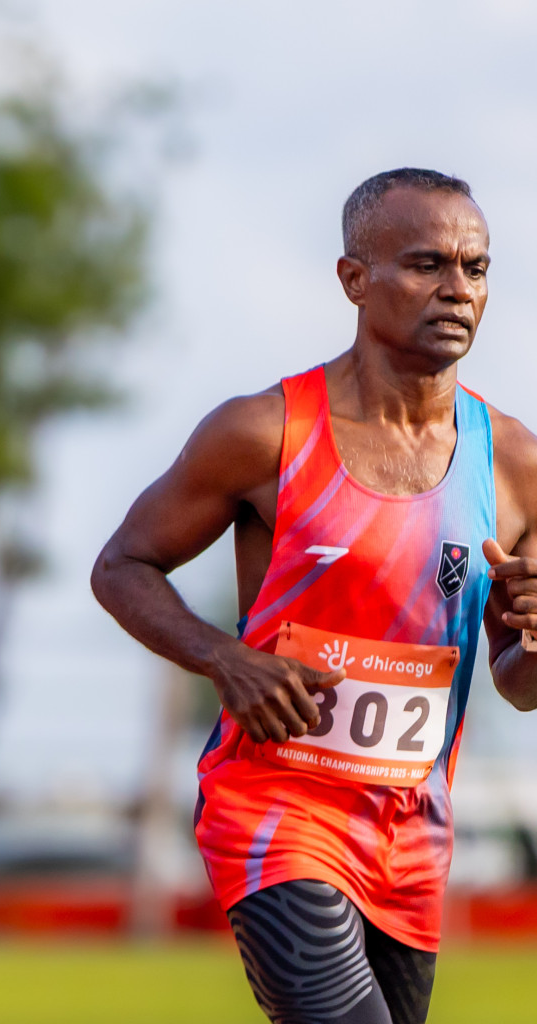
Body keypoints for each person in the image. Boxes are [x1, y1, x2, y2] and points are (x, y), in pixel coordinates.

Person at [91, 167, 537, 1024]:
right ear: (354, 279)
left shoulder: (512, 460)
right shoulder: (264, 431)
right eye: (426, 264)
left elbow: (519, 682)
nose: (457, 290)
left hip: (413, 829)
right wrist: (226, 660)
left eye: (475, 269)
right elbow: (122, 566)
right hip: (277, 808)